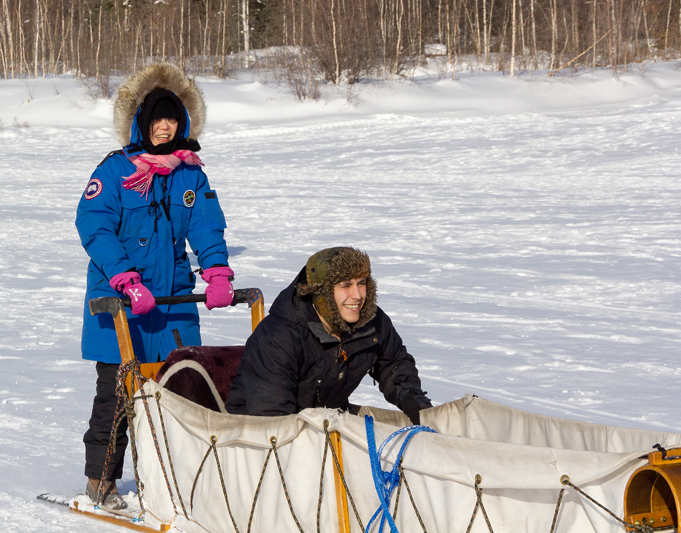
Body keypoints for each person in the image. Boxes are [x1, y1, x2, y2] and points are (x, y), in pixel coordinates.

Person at [75, 63, 234, 509]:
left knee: (182, 392)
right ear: (141, 124)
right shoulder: (115, 171)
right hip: (120, 303)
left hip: (173, 302)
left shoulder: (190, 174)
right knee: (119, 393)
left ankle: (170, 481)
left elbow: (205, 227)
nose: (165, 128)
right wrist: (125, 279)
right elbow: (94, 226)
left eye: (172, 119)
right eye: (156, 120)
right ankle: (101, 481)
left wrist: (216, 270)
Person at [225, 247, 431, 425]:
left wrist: (413, 400)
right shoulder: (278, 337)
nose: (357, 295)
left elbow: (394, 365)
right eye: (345, 285)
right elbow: (272, 416)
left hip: (323, 429)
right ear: (321, 293)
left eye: (361, 283)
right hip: (255, 439)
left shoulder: (372, 323)